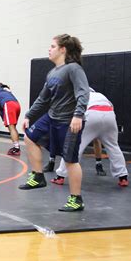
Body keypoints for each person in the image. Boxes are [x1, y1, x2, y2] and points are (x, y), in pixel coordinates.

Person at [19, 34, 90, 212]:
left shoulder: (74, 69)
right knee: (29, 137)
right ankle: (38, 177)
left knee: (70, 160)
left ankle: (76, 199)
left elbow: (83, 93)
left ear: (63, 49)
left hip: (69, 120)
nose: (49, 49)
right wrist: (29, 115)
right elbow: (43, 98)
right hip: (52, 117)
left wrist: (78, 115)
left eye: (52, 46)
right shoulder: (52, 73)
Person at [51, 88, 128, 187]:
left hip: (92, 114)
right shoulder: (100, 95)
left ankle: (60, 176)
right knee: (114, 146)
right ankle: (123, 177)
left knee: (74, 146)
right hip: (109, 115)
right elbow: (111, 107)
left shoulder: (78, 96)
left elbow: (73, 114)